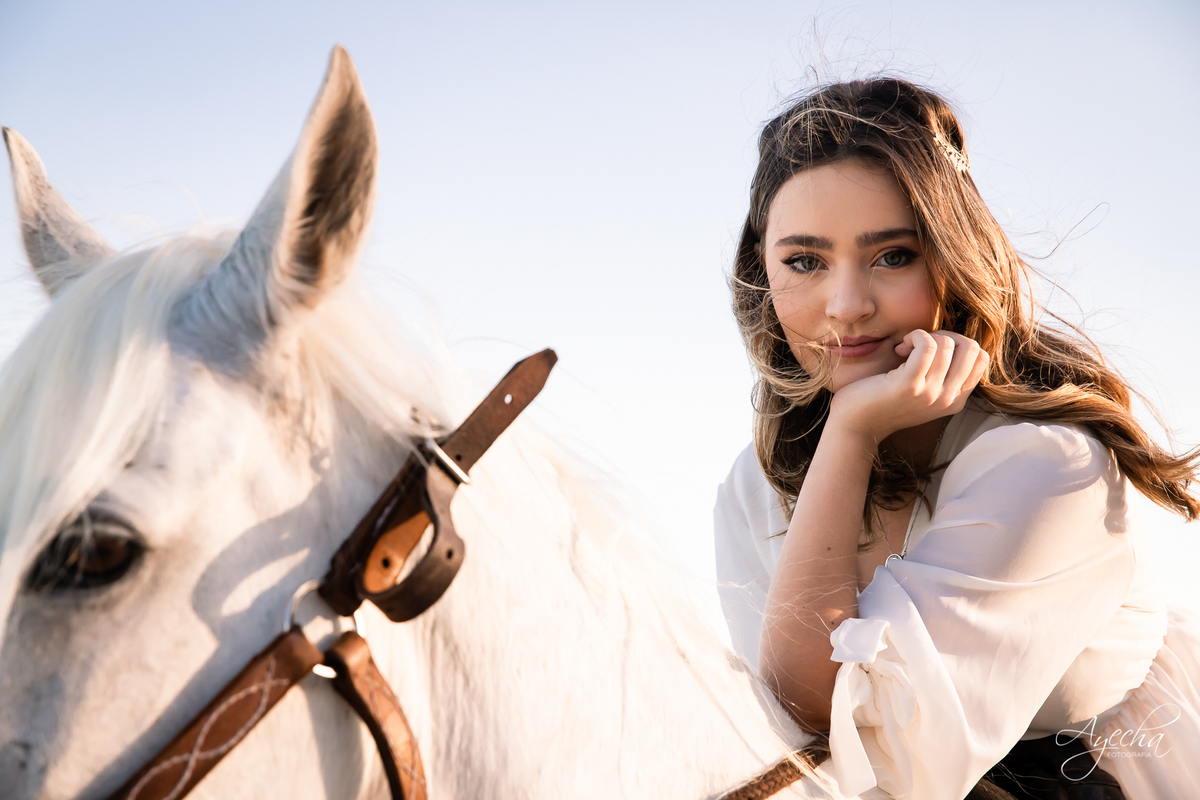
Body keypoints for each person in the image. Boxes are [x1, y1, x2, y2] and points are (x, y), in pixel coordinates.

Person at [713, 78, 1200, 800]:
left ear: (952, 256)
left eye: (893, 255)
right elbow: (796, 738)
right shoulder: (756, 487)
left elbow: (849, 727)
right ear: (762, 273)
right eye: (805, 262)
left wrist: (849, 432)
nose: (846, 305)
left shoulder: (1048, 464)